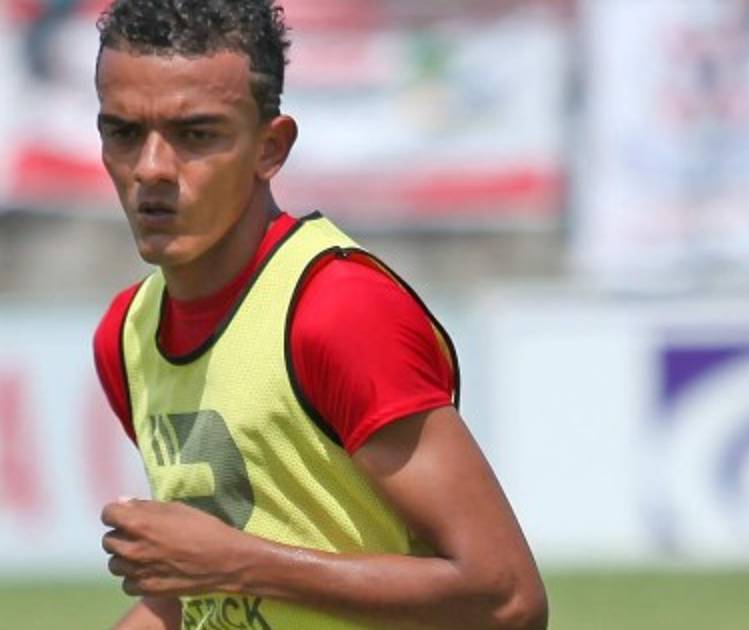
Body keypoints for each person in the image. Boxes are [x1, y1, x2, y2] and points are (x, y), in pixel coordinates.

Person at [90, 1, 548, 628]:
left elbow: (507, 598)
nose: (151, 169)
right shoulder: (127, 334)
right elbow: (203, 595)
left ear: (270, 148)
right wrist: (214, 569)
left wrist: (234, 563)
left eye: (196, 135)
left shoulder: (336, 310)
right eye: (123, 133)